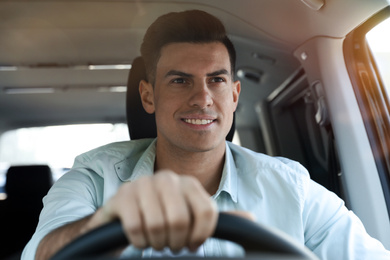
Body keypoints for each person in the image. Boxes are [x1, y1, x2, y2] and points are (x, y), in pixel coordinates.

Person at [23, 10, 390, 260]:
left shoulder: (292, 188)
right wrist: (104, 224)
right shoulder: (94, 176)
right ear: (149, 96)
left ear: (233, 96)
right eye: (180, 80)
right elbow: (43, 251)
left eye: (216, 80)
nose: (202, 99)